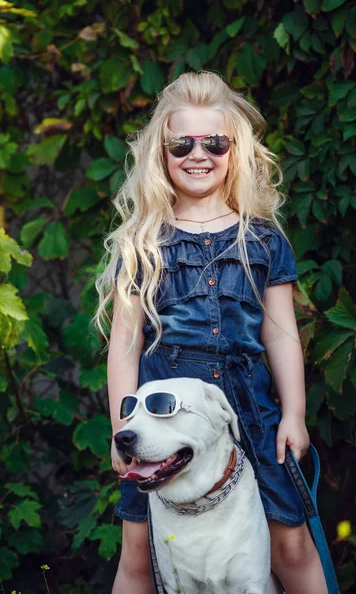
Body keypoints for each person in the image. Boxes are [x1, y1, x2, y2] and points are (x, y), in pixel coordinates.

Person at [96, 71, 328, 594]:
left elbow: (283, 335)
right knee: (139, 551)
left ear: (235, 149)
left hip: (251, 410)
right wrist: (122, 428)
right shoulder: (143, 242)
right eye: (182, 143)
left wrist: (292, 413)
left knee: (290, 542)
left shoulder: (262, 237)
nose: (198, 154)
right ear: (162, 151)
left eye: (214, 142)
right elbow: (124, 348)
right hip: (164, 418)